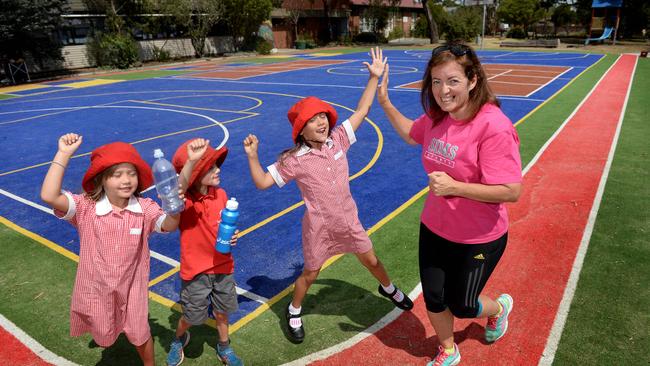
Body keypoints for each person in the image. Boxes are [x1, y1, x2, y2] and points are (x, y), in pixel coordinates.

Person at [243, 47, 413, 344]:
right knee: (310, 275)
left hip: (348, 219)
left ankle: (387, 287)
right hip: (319, 228)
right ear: (301, 129)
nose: (322, 121)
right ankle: (294, 310)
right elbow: (261, 183)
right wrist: (253, 156)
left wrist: (373, 78)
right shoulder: (294, 159)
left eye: (323, 115)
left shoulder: (338, 140)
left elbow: (362, 111)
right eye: (313, 119)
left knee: (371, 260)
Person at [376, 42, 522, 366]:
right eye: (437, 81)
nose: (443, 90)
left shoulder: (493, 126)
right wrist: (384, 100)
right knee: (434, 296)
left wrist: (456, 186)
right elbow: (411, 134)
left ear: (472, 80)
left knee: (463, 304)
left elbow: (511, 190)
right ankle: (448, 349)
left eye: (452, 81)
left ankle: (499, 309)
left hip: (479, 237)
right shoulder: (437, 117)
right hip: (435, 227)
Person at [40, 134, 182, 366]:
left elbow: (168, 225)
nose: (126, 180)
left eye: (132, 173)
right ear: (101, 180)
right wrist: (63, 154)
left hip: (132, 288)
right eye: (117, 175)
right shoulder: (86, 207)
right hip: (98, 287)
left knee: (140, 333)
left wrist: (174, 210)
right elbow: (49, 195)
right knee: (105, 334)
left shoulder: (144, 208)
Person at [166, 138, 242, 366]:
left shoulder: (221, 194)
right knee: (191, 316)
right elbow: (175, 193)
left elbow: (221, 225)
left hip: (223, 265)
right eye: (210, 167)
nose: (217, 169)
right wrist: (191, 161)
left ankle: (224, 346)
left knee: (222, 312)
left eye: (216, 165)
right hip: (196, 270)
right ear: (196, 174)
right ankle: (178, 338)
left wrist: (233, 235)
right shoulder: (185, 203)